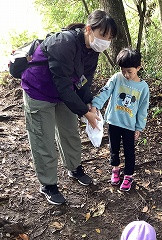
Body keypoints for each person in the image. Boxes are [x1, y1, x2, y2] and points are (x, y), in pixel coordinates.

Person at [21, 10, 117, 205]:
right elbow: (63, 85)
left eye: (109, 38)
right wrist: (84, 112)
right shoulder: (64, 43)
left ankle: (74, 168)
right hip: (38, 91)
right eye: (103, 36)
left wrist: (89, 104)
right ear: (89, 29)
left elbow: (83, 83)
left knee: (70, 132)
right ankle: (48, 184)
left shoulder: (93, 52)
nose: (106, 42)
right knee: (44, 139)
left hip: (64, 95)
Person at [91, 48, 150, 191]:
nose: (126, 74)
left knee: (129, 151)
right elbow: (105, 92)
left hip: (129, 125)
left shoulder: (143, 87)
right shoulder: (117, 78)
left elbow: (143, 109)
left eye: (130, 71)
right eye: (123, 70)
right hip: (114, 121)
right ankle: (115, 169)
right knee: (114, 148)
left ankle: (129, 175)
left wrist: (139, 127)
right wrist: (95, 106)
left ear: (138, 68)